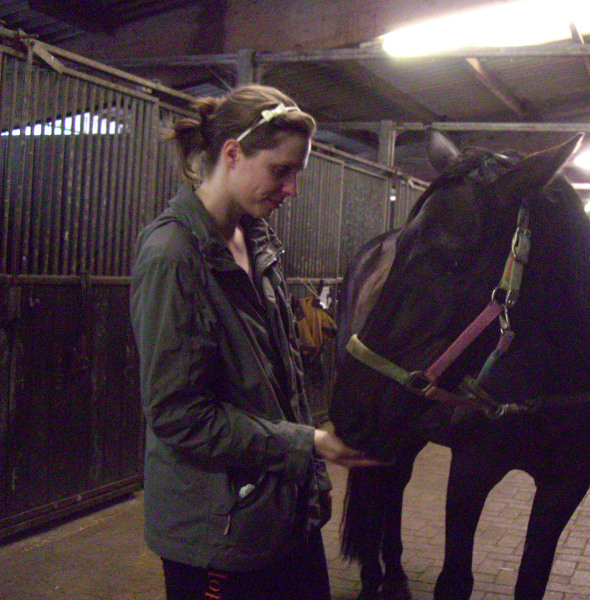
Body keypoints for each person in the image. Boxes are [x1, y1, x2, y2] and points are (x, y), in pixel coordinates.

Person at [129, 85, 382, 600]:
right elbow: (179, 416)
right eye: (280, 170)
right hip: (219, 533)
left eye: (297, 173)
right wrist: (307, 443)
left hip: (281, 513)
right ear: (231, 154)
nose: (291, 189)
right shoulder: (173, 257)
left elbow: (277, 375)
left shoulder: (256, 240)